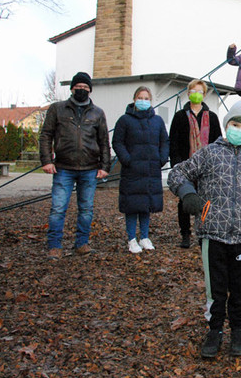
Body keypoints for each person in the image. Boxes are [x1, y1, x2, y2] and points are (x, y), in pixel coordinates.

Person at [168, 100, 241, 358]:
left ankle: (237, 331)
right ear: (226, 125)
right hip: (212, 232)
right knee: (216, 287)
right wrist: (188, 194)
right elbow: (177, 174)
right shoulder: (209, 153)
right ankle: (214, 330)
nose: (239, 129)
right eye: (235, 124)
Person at [39, 72, 110, 259]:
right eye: (78, 86)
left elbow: (104, 141)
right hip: (63, 167)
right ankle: (54, 245)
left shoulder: (98, 113)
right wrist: (46, 160)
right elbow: (46, 134)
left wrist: (105, 166)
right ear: (72, 88)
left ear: (90, 90)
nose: (82, 90)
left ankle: (82, 243)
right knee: (58, 208)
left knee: (86, 209)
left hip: (90, 168)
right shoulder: (57, 109)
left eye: (85, 87)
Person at [112, 86, 169, 253]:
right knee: (132, 205)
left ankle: (144, 236)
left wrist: (162, 158)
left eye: (146, 98)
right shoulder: (124, 120)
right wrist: (127, 159)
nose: (143, 101)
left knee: (146, 205)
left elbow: (164, 141)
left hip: (151, 169)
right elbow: (118, 142)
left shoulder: (157, 121)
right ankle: (131, 238)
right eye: (140, 97)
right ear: (134, 99)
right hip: (132, 170)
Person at [168, 79, 221, 248]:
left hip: (207, 166)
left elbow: (218, 141)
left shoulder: (212, 117)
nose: (196, 94)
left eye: (200, 91)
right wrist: (176, 163)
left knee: (206, 201)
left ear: (204, 94)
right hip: (185, 164)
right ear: (188, 93)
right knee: (185, 200)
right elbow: (173, 141)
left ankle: (203, 233)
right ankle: (185, 234)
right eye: (193, 91)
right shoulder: (179, 116)